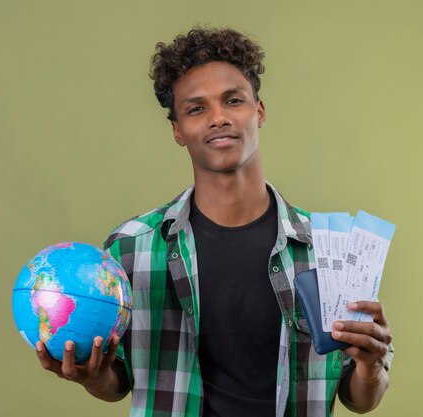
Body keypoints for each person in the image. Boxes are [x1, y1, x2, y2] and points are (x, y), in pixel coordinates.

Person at [36, 27, 394, 417]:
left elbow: (359, 398)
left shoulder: (325, 249)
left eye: (233, 100)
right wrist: (93, 378)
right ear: (177, 131)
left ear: (259, 111)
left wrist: (371, 368)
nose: (218, 117)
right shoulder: (130, 248)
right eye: (195, 108)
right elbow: (118, 383)